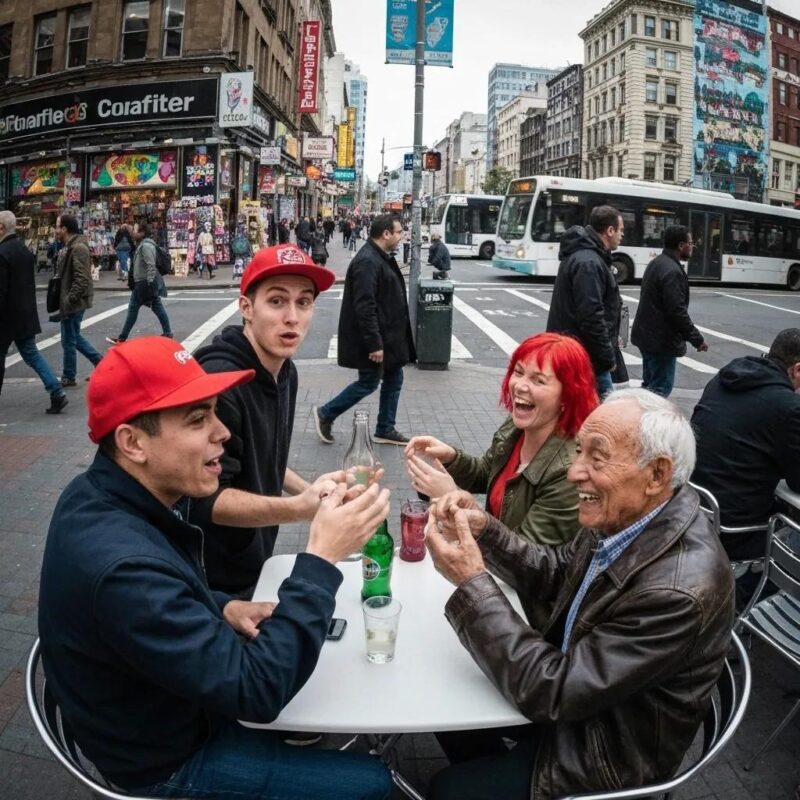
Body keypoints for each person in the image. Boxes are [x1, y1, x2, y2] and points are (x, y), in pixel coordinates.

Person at [38, 336, 393, 800]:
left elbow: (153, 600)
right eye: (197, 419)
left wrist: (221, 606)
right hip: (165, 757)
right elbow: (259, 694)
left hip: (161, 705)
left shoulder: (102, 493)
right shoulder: (123, 565)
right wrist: (322, 558)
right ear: (132, 442)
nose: (222, 432)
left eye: (214, 411)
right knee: (372, 783)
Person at [425, 389, 734, 800]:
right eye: (578, 452)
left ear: (657, 475)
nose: (574, 473)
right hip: (580, 704)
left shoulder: (678, 590)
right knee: (444, 705)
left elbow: (552, 693)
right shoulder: (625, 515)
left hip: (604, 752)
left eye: (597, 456)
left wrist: (472, 583)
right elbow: (556, 573)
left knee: (449, 790)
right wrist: (486, 530)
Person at [190, 244, 340, 597]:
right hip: (211, 578)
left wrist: (315, 492)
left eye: (303, 302)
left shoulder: (285, 370)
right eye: (276, 301)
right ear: (246, 307)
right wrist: (298, 509)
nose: (292, 317)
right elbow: (204, 499)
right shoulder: (220, 384)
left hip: (256, 561)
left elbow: (264, 457)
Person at [405, 334, 597, 549]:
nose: (520, 386)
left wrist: (453, 499)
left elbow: (527, 556)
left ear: (567, 396)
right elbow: (486, 472)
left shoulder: (569, 472)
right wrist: (451, 458)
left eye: (538, 380)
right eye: (519, 372)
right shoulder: (516, 427)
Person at [691, 328, 800, 562]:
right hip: (737, 530)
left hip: (695, 509)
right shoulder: (788, 407)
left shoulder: (727, 376)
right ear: (798, 369)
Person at [313, 215, 416, 446]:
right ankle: (326, 413)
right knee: (369, 381)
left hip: (387, 336)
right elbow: (364, 305)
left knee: (394, 376)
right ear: (386, 234)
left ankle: (385, 428)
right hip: (378, 339)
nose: (402, 237)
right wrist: (375, 344)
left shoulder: (378, 256)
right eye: (399, 232)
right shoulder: (368, 261)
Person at [546, 205, 624, 397]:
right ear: (610, 231)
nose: (622, 235)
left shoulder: (587, 257)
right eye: (621, 230)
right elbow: (591, 316)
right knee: (601, 417)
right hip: (586, 357)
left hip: (576, 352)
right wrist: (607, 358)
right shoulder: (589, 262)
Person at [0, 210, 68, 414]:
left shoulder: (2, 253)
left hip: (6, 317)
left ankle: (56, 391)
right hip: (25, 313)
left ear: (1, 228)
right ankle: (56, 390)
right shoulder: (23, 250)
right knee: (31, 354)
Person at [631, 225, 708, 397]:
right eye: (690, 243)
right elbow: (676, 311)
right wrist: (697, 339)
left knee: (649, 387)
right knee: (659, 391)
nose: (692, 246)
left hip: (647, 337)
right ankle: (649, 423)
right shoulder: (673, 271)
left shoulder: (656, 263)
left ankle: (641, 420)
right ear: (681, 246)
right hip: (661, 341)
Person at [54, 214, 103, 387]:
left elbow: (82, 278)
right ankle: (100, 362)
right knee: (72, 337)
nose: (56, 230)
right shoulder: (70, 246)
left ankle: (69, 375)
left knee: (69, 339)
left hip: (75, 301)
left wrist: (69, 299)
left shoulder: (78, 248)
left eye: (58, 226)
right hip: (72, 300)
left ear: (65, 229)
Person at [106, 221, 173, 345]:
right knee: (156, 307)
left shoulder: (146, 246)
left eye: (135, 231)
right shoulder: (141, 244)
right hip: (144, 283)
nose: (133, 233)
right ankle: (168, 333)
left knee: (133, 308)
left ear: (142, 233)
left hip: (144, 283)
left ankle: (122, 338)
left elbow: (151, 265)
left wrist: (149, 282)